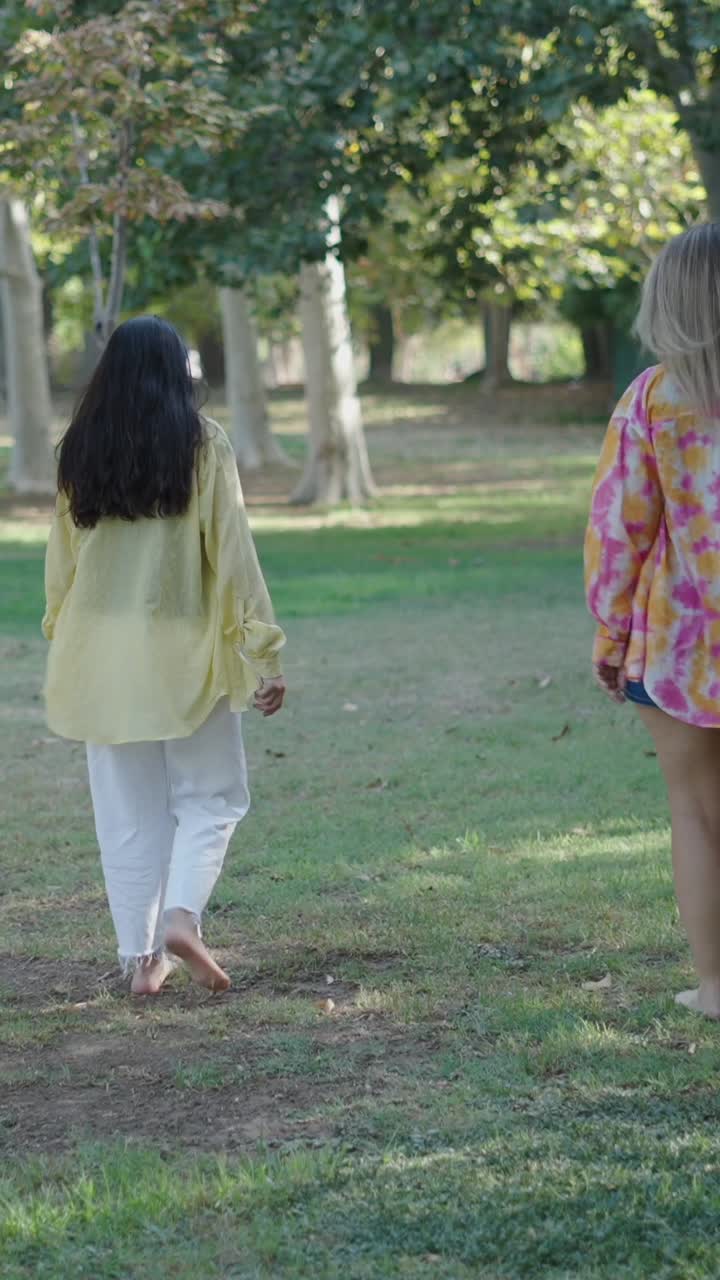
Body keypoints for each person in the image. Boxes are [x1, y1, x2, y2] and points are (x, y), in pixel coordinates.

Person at [43, 316, 286, 997]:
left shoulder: (78, 449)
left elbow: (61, 566)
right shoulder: (201, 444)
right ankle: (181, 917)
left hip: (97, 652)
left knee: (126, 811)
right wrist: (263, 651)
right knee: (211, 797)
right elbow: (233, 557)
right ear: (177, 373)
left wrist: (61, 633)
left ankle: (140, 960)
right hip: (184, 649)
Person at [585, 223, 720, 1019]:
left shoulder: (650, 402)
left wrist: (610, 636)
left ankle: (714, 986)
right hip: (680, 646)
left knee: (696, 813)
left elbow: (618, 530)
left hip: (680, 648)